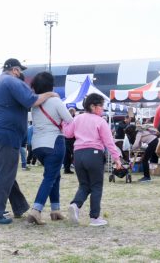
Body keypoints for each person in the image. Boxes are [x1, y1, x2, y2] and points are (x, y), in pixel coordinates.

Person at [0, 58, 55, 225]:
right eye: (20, 70)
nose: (21, 74)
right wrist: (49, 94)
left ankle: (19, 207)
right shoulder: (13, 81)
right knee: (4, 175)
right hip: (8, 132)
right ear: (15, 70)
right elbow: (32, 100)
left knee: (5, 171)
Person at [64, 93, 123, 227]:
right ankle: (94, 217)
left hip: (78, 154)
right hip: (94, 154)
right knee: (96, 186)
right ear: (93, 106)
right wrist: (116, 158)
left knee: (84, 185)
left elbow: (67, 134)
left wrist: (64, 120)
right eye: (100, 106)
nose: (102, 108)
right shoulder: (100, 121)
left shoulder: (77, 119)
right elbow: (109, 142)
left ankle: (75, 204)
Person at [27, 72, 74, 225]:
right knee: (50, 177)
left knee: (54, 175)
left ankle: (55, 210)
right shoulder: (55, 101)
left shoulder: (35, 103)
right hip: (54, 142)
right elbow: (69, 120)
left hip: (37, 145)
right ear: (51, 86)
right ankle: (36, 209)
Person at [63, 108, 77, 174]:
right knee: (76, 154)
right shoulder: (73, 119)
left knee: (67, 155)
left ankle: (66, 169)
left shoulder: (64, 119)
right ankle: (78, 168)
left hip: (65, 138)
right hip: (72, 138)